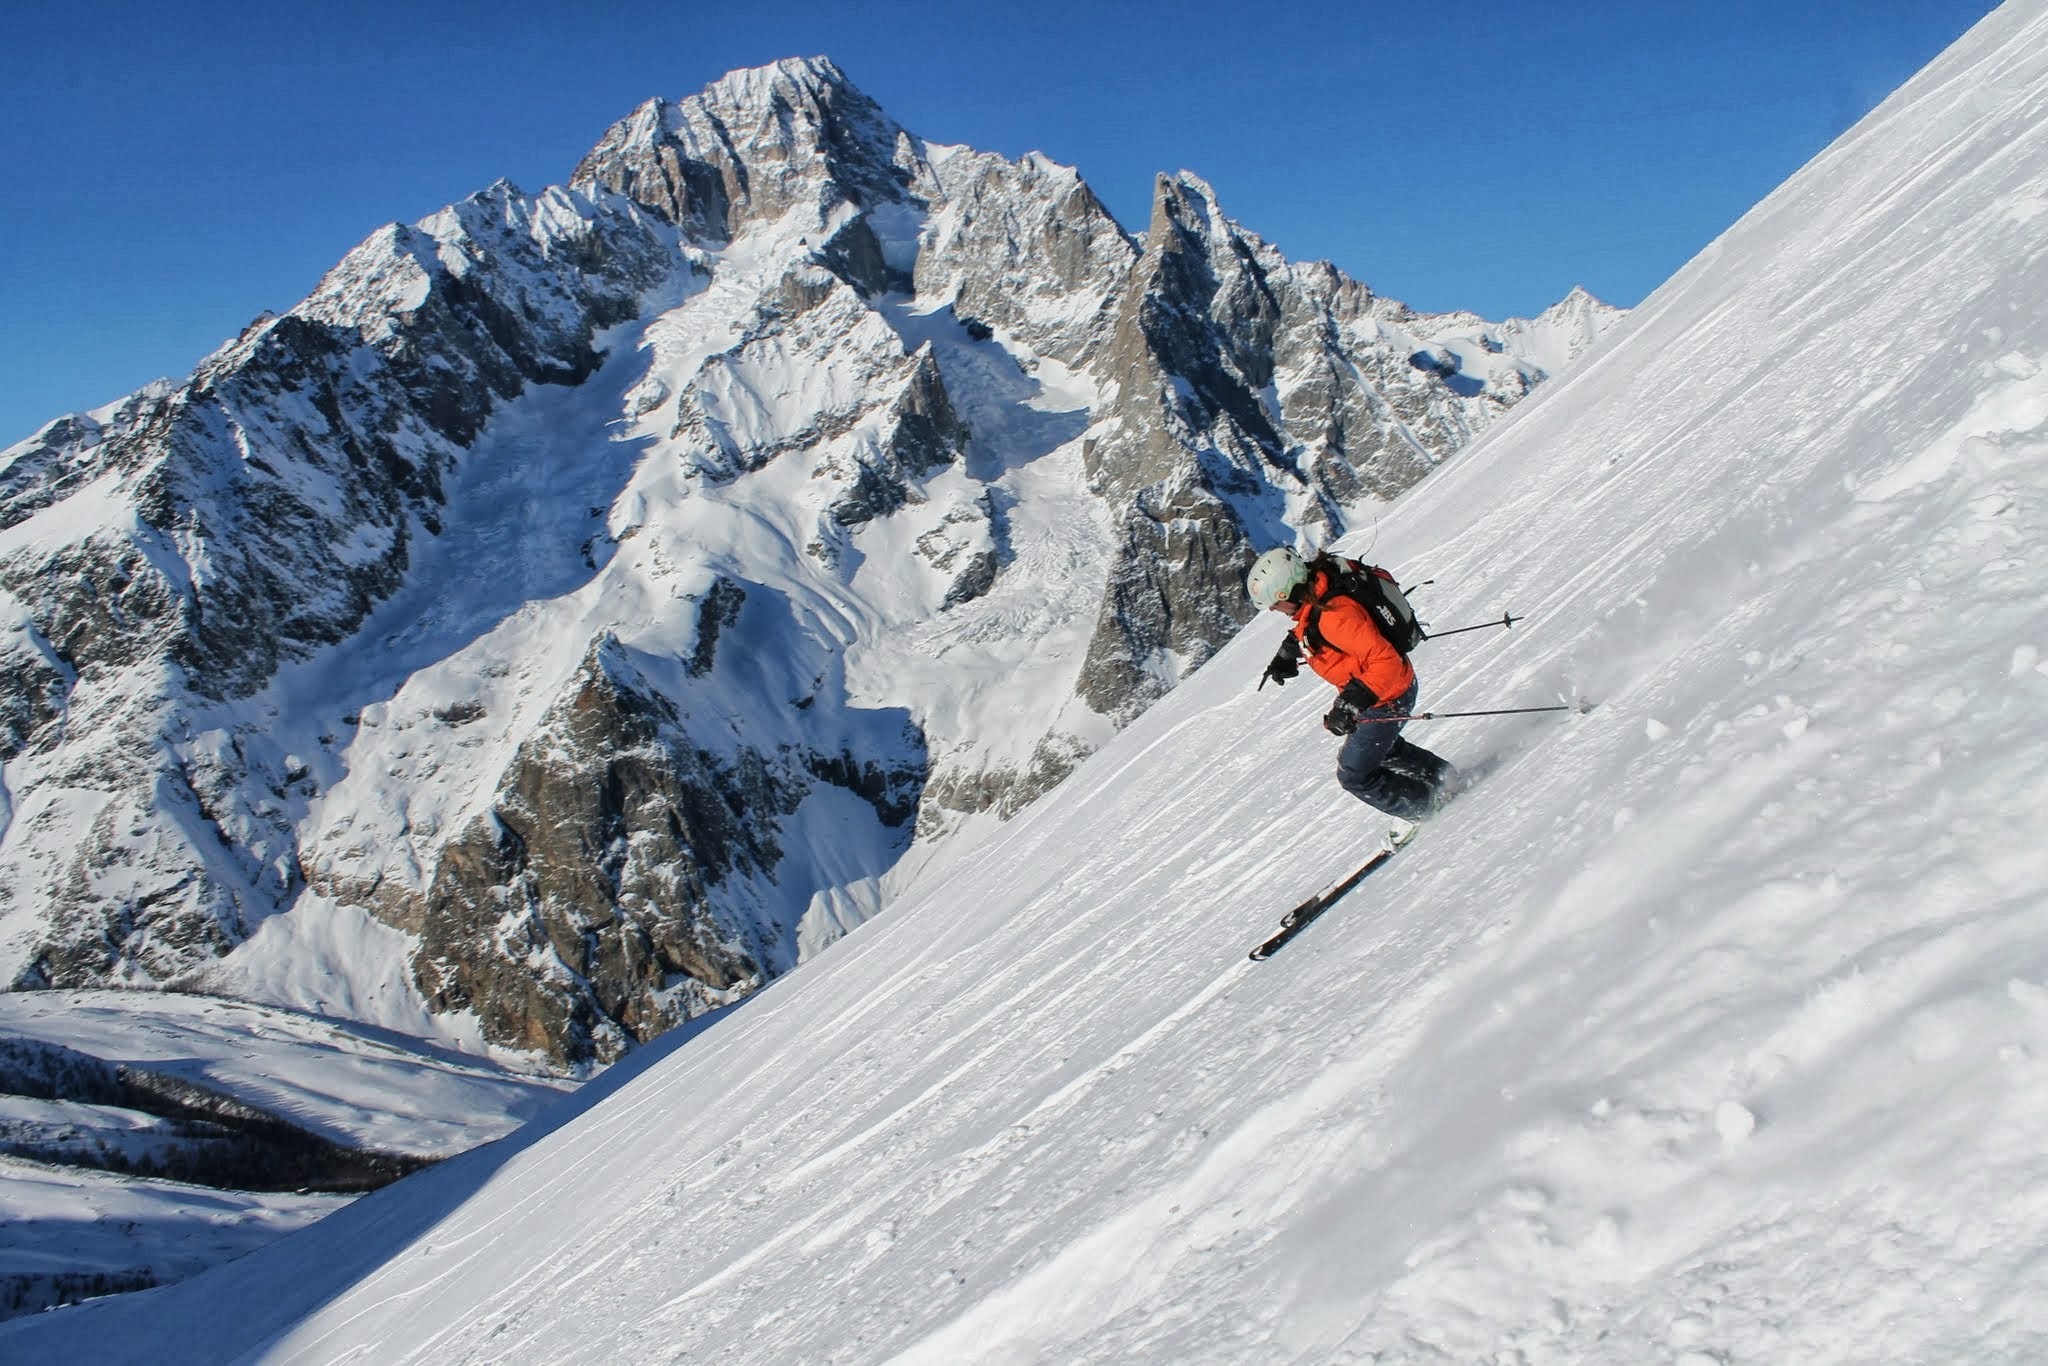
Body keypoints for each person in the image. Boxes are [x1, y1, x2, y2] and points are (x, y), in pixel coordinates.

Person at [1246, 546, 1456, 821]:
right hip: (1386, 691)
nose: (1274, 609)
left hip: (1387, 695)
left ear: (1289, 592)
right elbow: (1308, 625)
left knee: (1354, 773)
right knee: (1383, 749)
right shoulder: (1319, 587)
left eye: (1275, 602)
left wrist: (1350, 703)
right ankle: (1445, 779)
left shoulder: (1335, 616)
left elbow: (1386, 661)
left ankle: (1428, 808)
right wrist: (1287, 654)